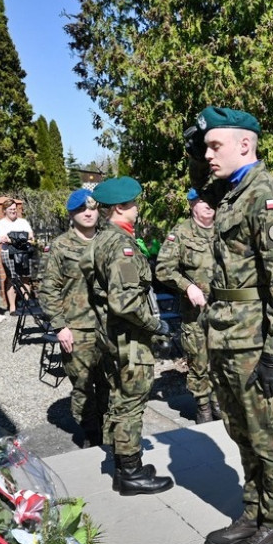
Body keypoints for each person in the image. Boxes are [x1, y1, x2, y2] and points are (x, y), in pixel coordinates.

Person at [194, 106, 273, 544]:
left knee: (268, 433)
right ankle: (255, 510)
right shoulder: (232, 196)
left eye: (215, 145)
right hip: (227, 335)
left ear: (245, 144)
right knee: (241, 430)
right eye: (205, 146)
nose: (207, 154)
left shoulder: (268, 196)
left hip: (255, 340)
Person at [81, 177, 174, 496]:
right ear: (120, 207)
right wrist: (154, 325)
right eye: (134, 203)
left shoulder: (101, 239)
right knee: (131, 401)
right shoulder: (121, 246)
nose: (138, 208)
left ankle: (124, 466)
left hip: (111, 335)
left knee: (119, 398)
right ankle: (131, 473)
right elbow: (126, 301)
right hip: (128, 339)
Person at [39, 189, 110, 447]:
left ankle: (108, 434)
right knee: (83, 386)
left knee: (109, 385)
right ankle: (91, 435)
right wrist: (60, 326)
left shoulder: (109, 240)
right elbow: (48, 289)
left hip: (109, 327)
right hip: (77, 329)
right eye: (82, 209)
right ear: (72, 214)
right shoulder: (60, 246)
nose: (88, 212)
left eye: (92, 207)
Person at [155, 188, 221, 424]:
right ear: (192, 204)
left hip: (224, 311)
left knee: (221, 359)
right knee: (199, 361)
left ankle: (218, 402)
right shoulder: (181, 233)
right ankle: (203, 407)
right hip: (195, 315)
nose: (207, 205)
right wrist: (187, 286)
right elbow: (163, 269)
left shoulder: (224, 229)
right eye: (202, 200)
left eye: (210, 200)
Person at [0, 198, 35, 315]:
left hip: (24, 253)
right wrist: (21, 238)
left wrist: (13, 238)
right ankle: (12, 307)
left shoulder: (23, 222)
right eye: (11, 209)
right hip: (8, 253)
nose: (14, 211)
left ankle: (26, 305)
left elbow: (31, 237)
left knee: (25, 278)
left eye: (15, 209)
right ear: (5, 211)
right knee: (12, 279)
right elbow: (4, 239)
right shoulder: (1, 223)